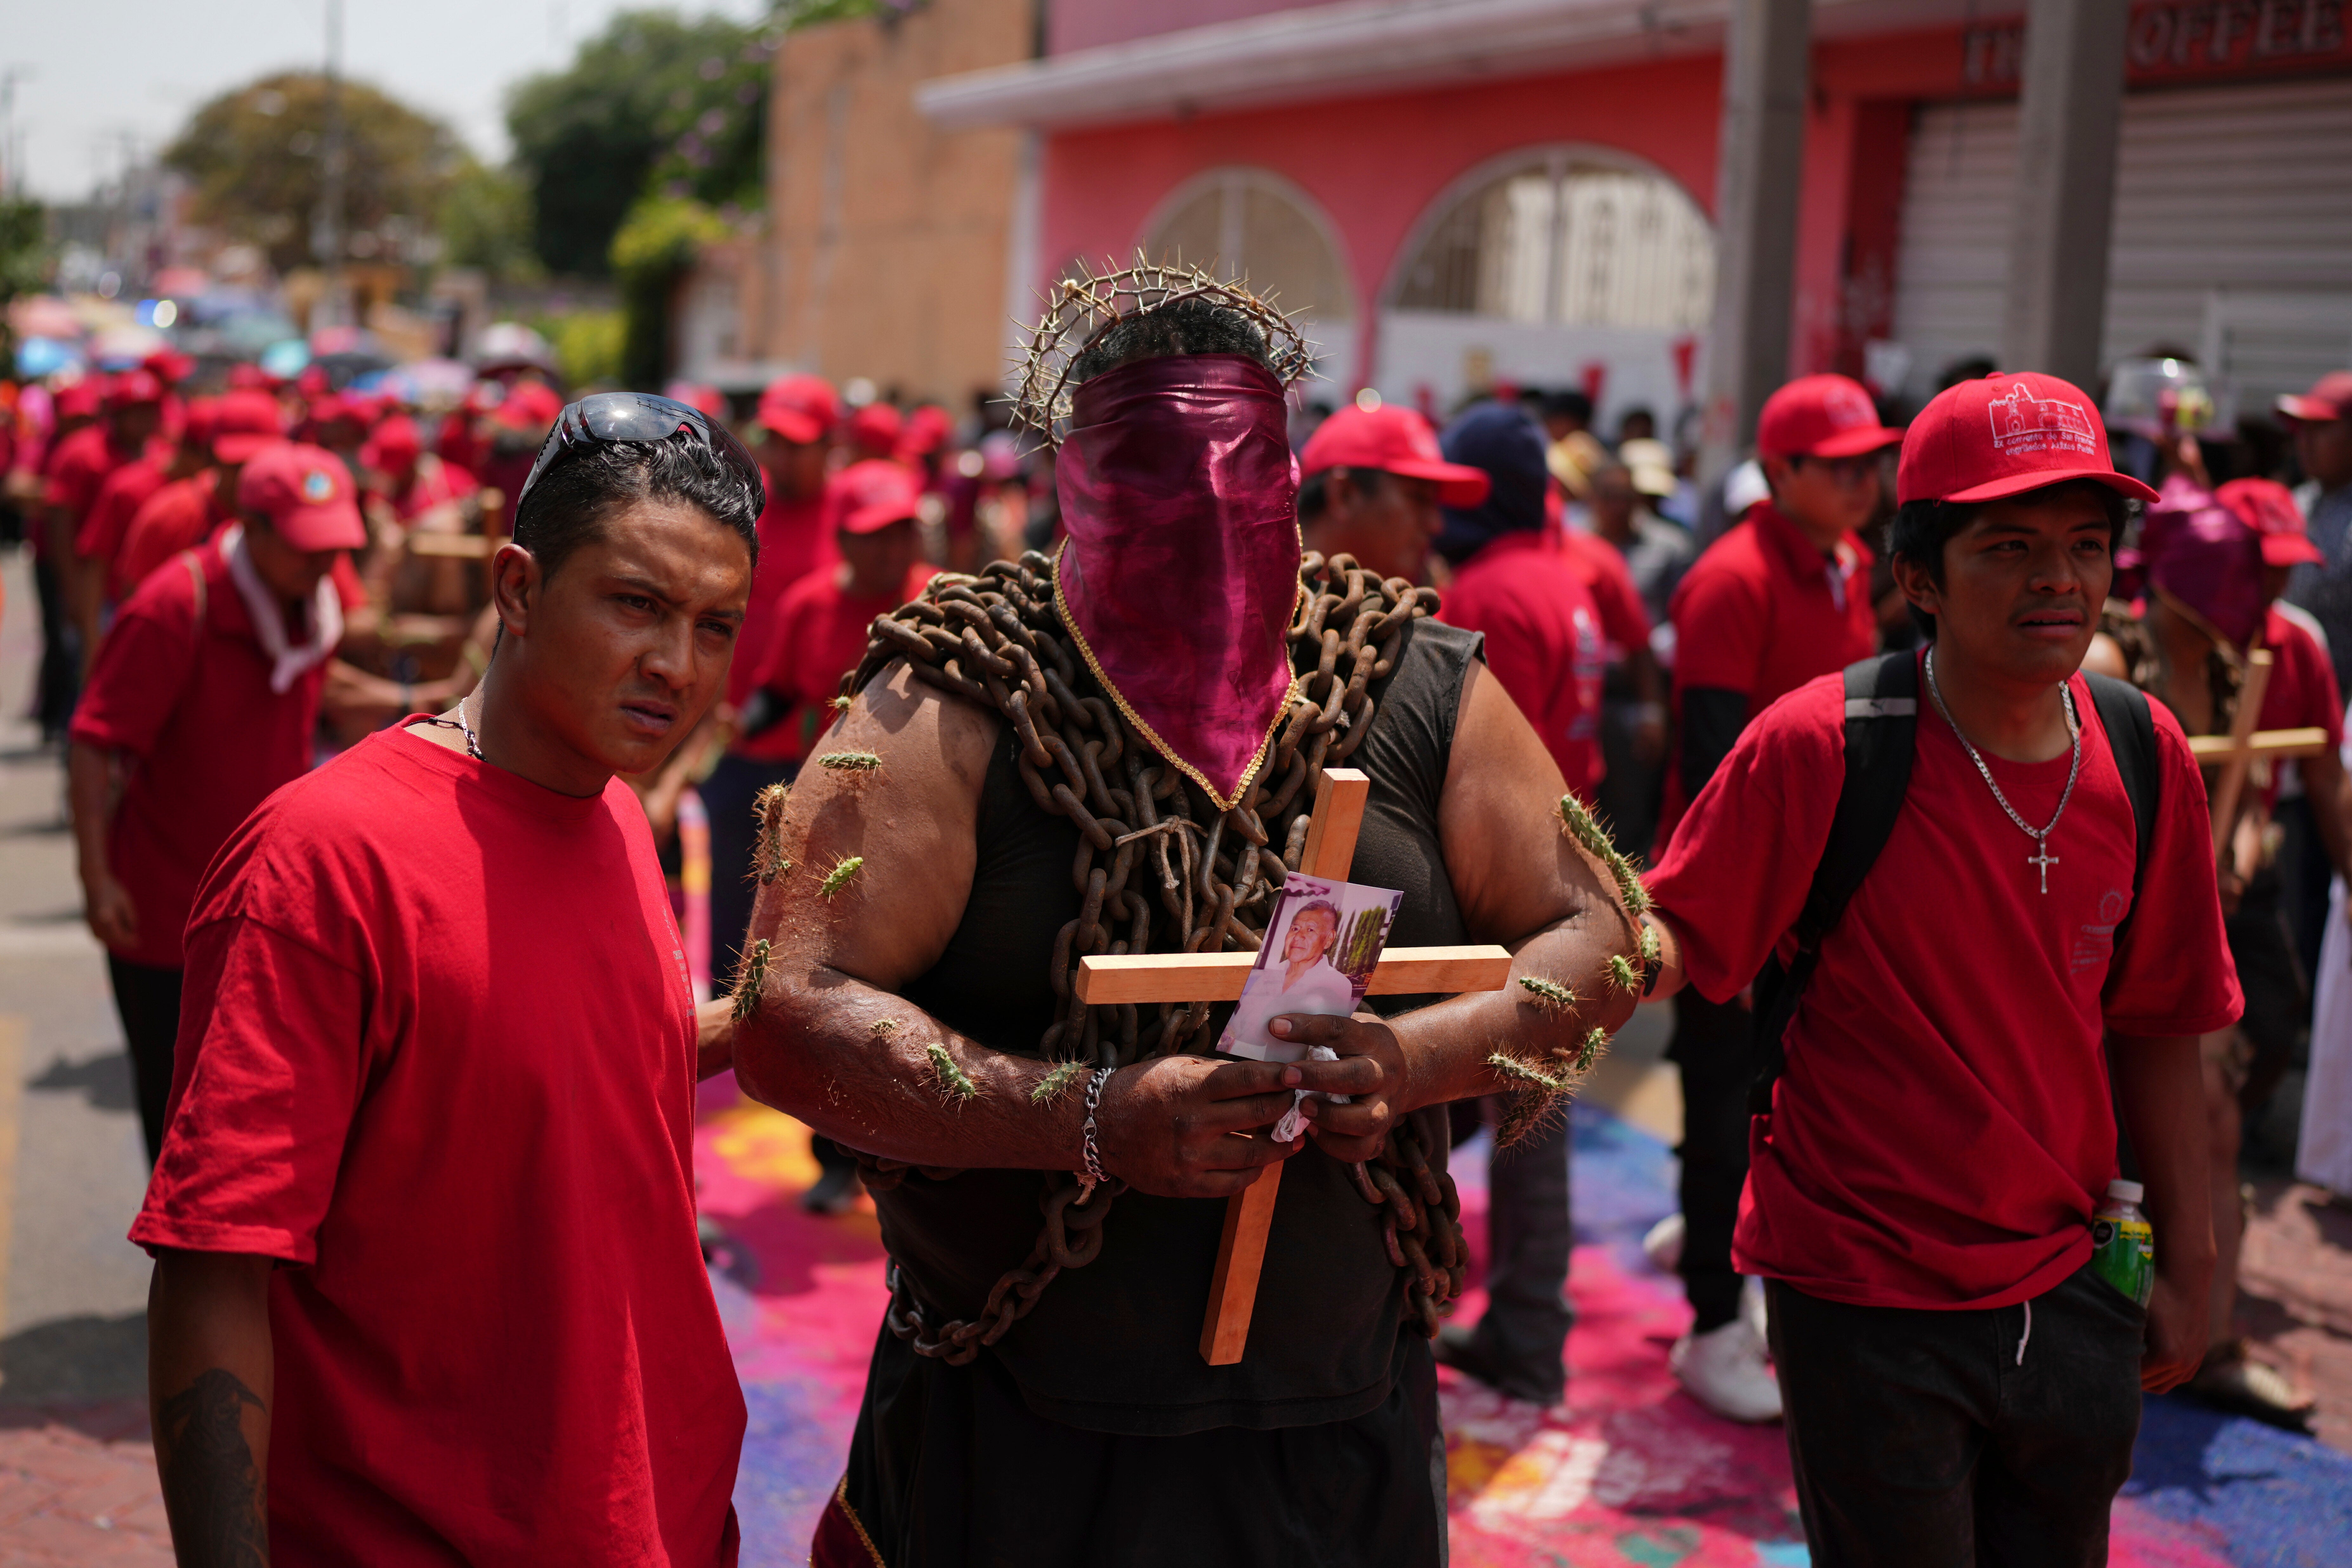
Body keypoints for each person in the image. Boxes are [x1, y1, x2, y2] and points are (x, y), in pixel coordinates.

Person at [728, 281, 1644, 1565]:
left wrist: (1411, 1062)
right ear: (1075, 488)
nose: (1210, 520)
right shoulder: (943, 702)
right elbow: (786, 1015)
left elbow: (1602, 931)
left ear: (1295, 481)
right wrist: (1085, 1117)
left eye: (1248, 479)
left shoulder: (1415, 678)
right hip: (1021, 1434)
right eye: (1158, 486)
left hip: (1339, 1429)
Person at [130, 395, 757, 1562]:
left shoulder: (617, 817)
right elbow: (216, 1268)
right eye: (635, 603)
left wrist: (761, 1025)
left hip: (653, 1522)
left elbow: (552, 1076)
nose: (676, 665)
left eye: (714, 625)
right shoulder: (325, 862)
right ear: (517, 590)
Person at [1643, 369, 2231, 1565]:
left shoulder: (2144, 748)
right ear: (1916, 577)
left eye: (2083, 544)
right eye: (2008, 547)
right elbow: (1662, 937)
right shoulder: (1819, 745)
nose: (2057, 578)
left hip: (2074, 1278)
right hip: (1861, 1289)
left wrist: (2193, 1257)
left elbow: (2160, 1022)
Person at [1651, 372, 1899, 1422]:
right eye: (1837, 468)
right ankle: (1709, 1321)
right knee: (1720, 1102)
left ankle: (1716, 1243)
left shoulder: (1850, 565)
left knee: (1777, 1100)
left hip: (1816, 887)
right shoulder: (1728, 579)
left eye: (1868, 464)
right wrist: (1755, 910)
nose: (1861, 484)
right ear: (1779, 471)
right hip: (1733, 889)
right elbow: (1714, 758)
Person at [2084, 488, 2321, 1429]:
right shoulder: (2111, 660)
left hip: (2200, 930)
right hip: (2115, 929)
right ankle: (2119, 1328)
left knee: (2210, 1127)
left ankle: (2203, 1338)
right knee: (2132, 1143)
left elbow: (2248, 791)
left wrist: (2236, 853)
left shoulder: (2234, 671)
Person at [68, 443, 368, 1164]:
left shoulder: (308, 602)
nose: (324, 565)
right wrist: (96, 879)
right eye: (306, 548)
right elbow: (94, 742)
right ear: (250, 526)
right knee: (181, 1125)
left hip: (273, 908)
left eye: (333, 548)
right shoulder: (175, 606)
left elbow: (315, 689)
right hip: (169, 912)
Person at [736, 456, 930, 1216]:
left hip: (927, 829)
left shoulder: (943, 598)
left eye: (903, 531)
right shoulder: (808, 606)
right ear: (842, 539)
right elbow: (779, 690)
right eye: (875, 535)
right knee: (831, 994)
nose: (891, 549)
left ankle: (919, 1155)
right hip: (833, 834)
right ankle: (835, 1155)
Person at [705, 373, 841, 980]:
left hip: (818, 758)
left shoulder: (854, 523)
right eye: (774, 442)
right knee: (730, 913)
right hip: (739, 744)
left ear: (830, 446)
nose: (781, 457)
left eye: (797, 444)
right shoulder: (740, 511)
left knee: (806, 922)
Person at [1586, 459, 1694, 861]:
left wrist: (1654, 709)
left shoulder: (1668, 548)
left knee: (1628, 814)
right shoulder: (1576, 546)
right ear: (1593, 500)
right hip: (1585, 694)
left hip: (1637, 694)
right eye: (1609, 497)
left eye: (1625, 497)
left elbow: (1682, 618)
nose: (1618, 506)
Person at [114, 390, 285, 601]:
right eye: (238, 465)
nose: (249, 475)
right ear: (211, 458)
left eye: (260, 463)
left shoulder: (292, 514)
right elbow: (137, 600)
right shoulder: (170, 515)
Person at [1295, 399, 1490, 583]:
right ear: (1344, 495)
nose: (1436, 525)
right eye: (1418, 498)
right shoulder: (1277, 603)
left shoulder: (1428, 597)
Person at [2280, 371, 2352, 687]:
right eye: (2302, 429)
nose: (2305, 442)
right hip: (2289, 693)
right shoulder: (2294, 503)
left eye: (2320, 428)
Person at [1226, 901, 1356, 1051]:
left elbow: (1326, 1048)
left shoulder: (1338, 984)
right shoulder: (1266, 976)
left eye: (1310, 930)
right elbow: (1234, 1030)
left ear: (1329, 939)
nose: (1298, 937)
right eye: (1295, 929)